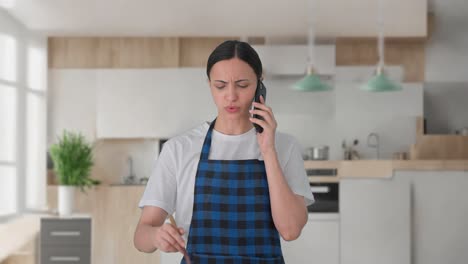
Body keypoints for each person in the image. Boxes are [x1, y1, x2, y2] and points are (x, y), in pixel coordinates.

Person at [134, 40, 314, 263]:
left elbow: (291, 230)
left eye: (242, 85)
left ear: (260, 84)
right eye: (220, 86)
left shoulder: (285, 147)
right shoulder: (179, 149)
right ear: (209, 84)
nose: (231, 96)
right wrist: (155, 235)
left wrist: (268, 150)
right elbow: (141, 235)